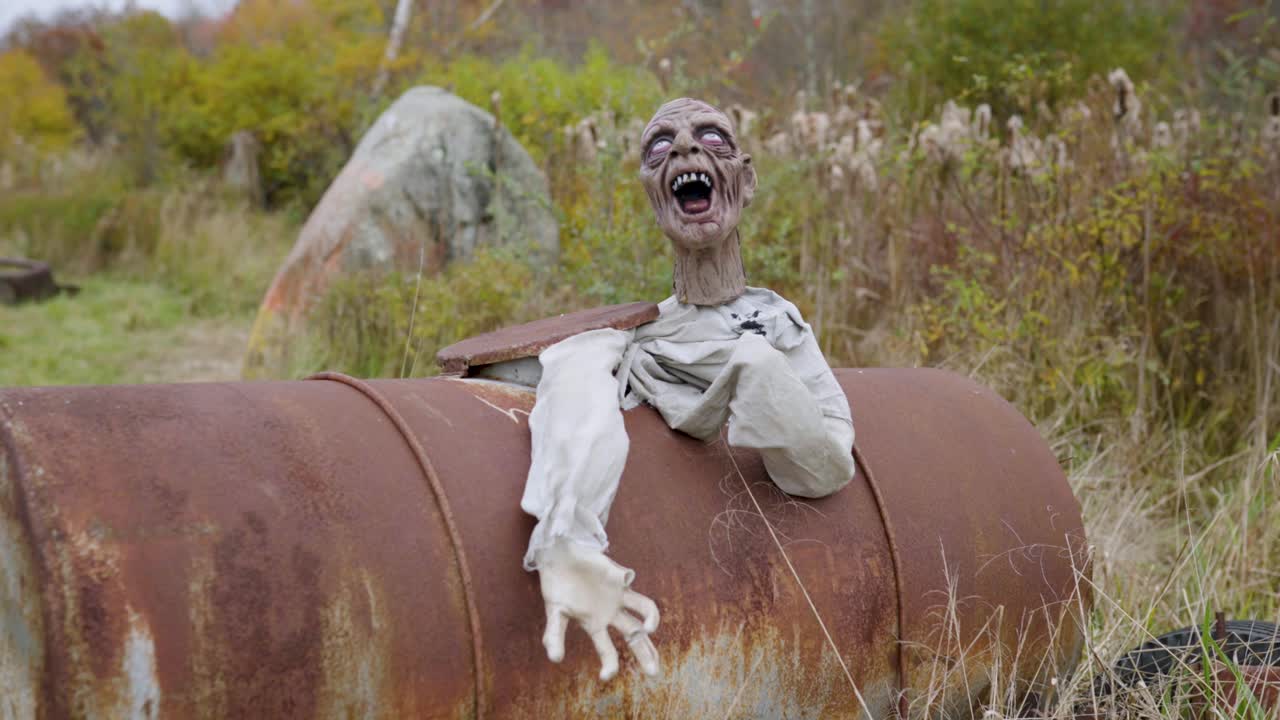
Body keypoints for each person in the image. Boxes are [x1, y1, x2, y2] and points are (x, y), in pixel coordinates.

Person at [519, 98, 856, 681]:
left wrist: (757, 372)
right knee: (580, 357)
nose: (684, 150)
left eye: (712, 140)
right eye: (660, 147)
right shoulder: (634, 339)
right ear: (653, 194)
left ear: (745, 181)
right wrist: (566, 541)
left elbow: (828, 466)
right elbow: (556, 391)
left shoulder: (777, 323)